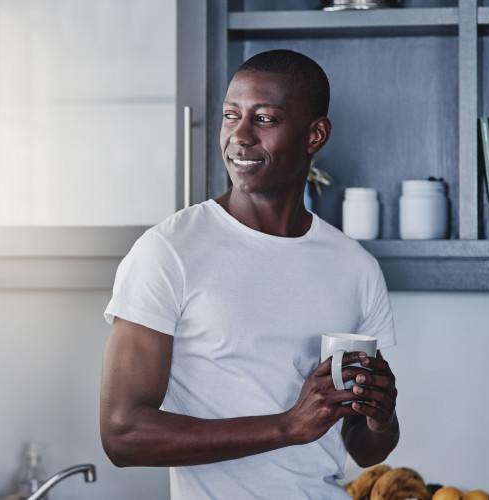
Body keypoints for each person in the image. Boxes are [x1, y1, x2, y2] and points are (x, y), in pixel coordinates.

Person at [98, 49, 401, 499]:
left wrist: (382, 414)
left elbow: (363, 449)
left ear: (315, 134)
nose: (239, 136)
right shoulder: (169, 251)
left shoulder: (355, 267)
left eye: (264, 119)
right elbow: (123, 434)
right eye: (230, 116)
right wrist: (286, 427)